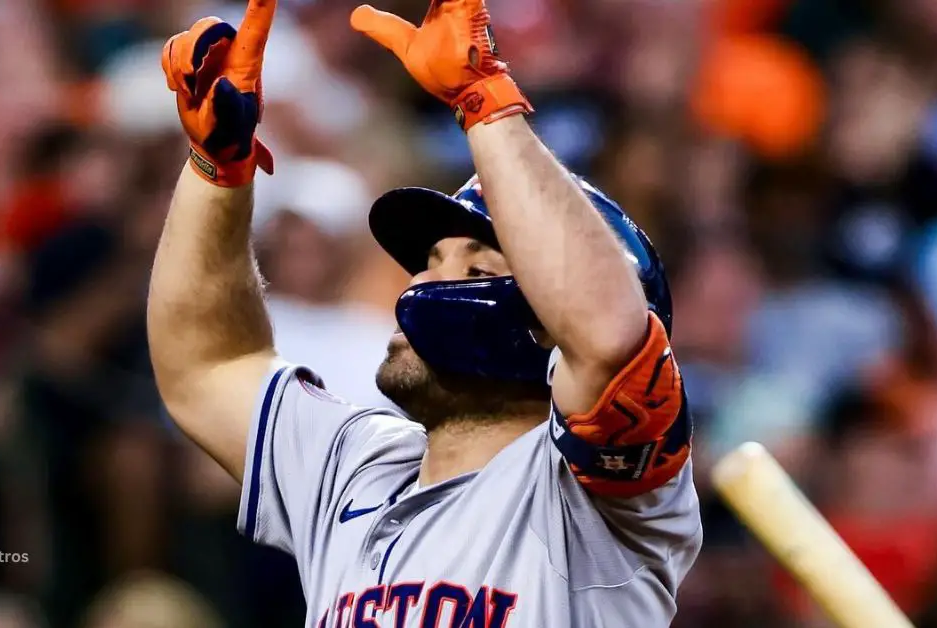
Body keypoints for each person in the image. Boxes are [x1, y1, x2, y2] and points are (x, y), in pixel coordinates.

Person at [146, 0, 701, 625]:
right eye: (430, 261)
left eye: (478, 267)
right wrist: (214, 171)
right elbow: (206, 366)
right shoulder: (355, 465)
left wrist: (485, 100)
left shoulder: (598, 496)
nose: (421, 286)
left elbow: (607, 336)